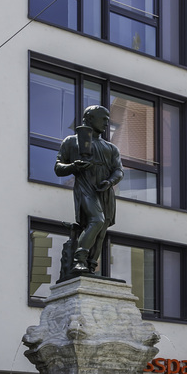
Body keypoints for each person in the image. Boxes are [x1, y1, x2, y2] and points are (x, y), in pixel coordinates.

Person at [54, 104, 123, 275]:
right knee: (97, 220)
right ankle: (80, 259)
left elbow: (118, 170)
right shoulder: (72, 141)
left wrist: (110, 181)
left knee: (102, 231)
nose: (107, 123)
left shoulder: (111, 148)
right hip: (86, 186)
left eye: (108, 120)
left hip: (105, 190)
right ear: (90, 118)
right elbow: (58, 167)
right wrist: (73, 166)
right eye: (104, 119)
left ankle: (91, 265)